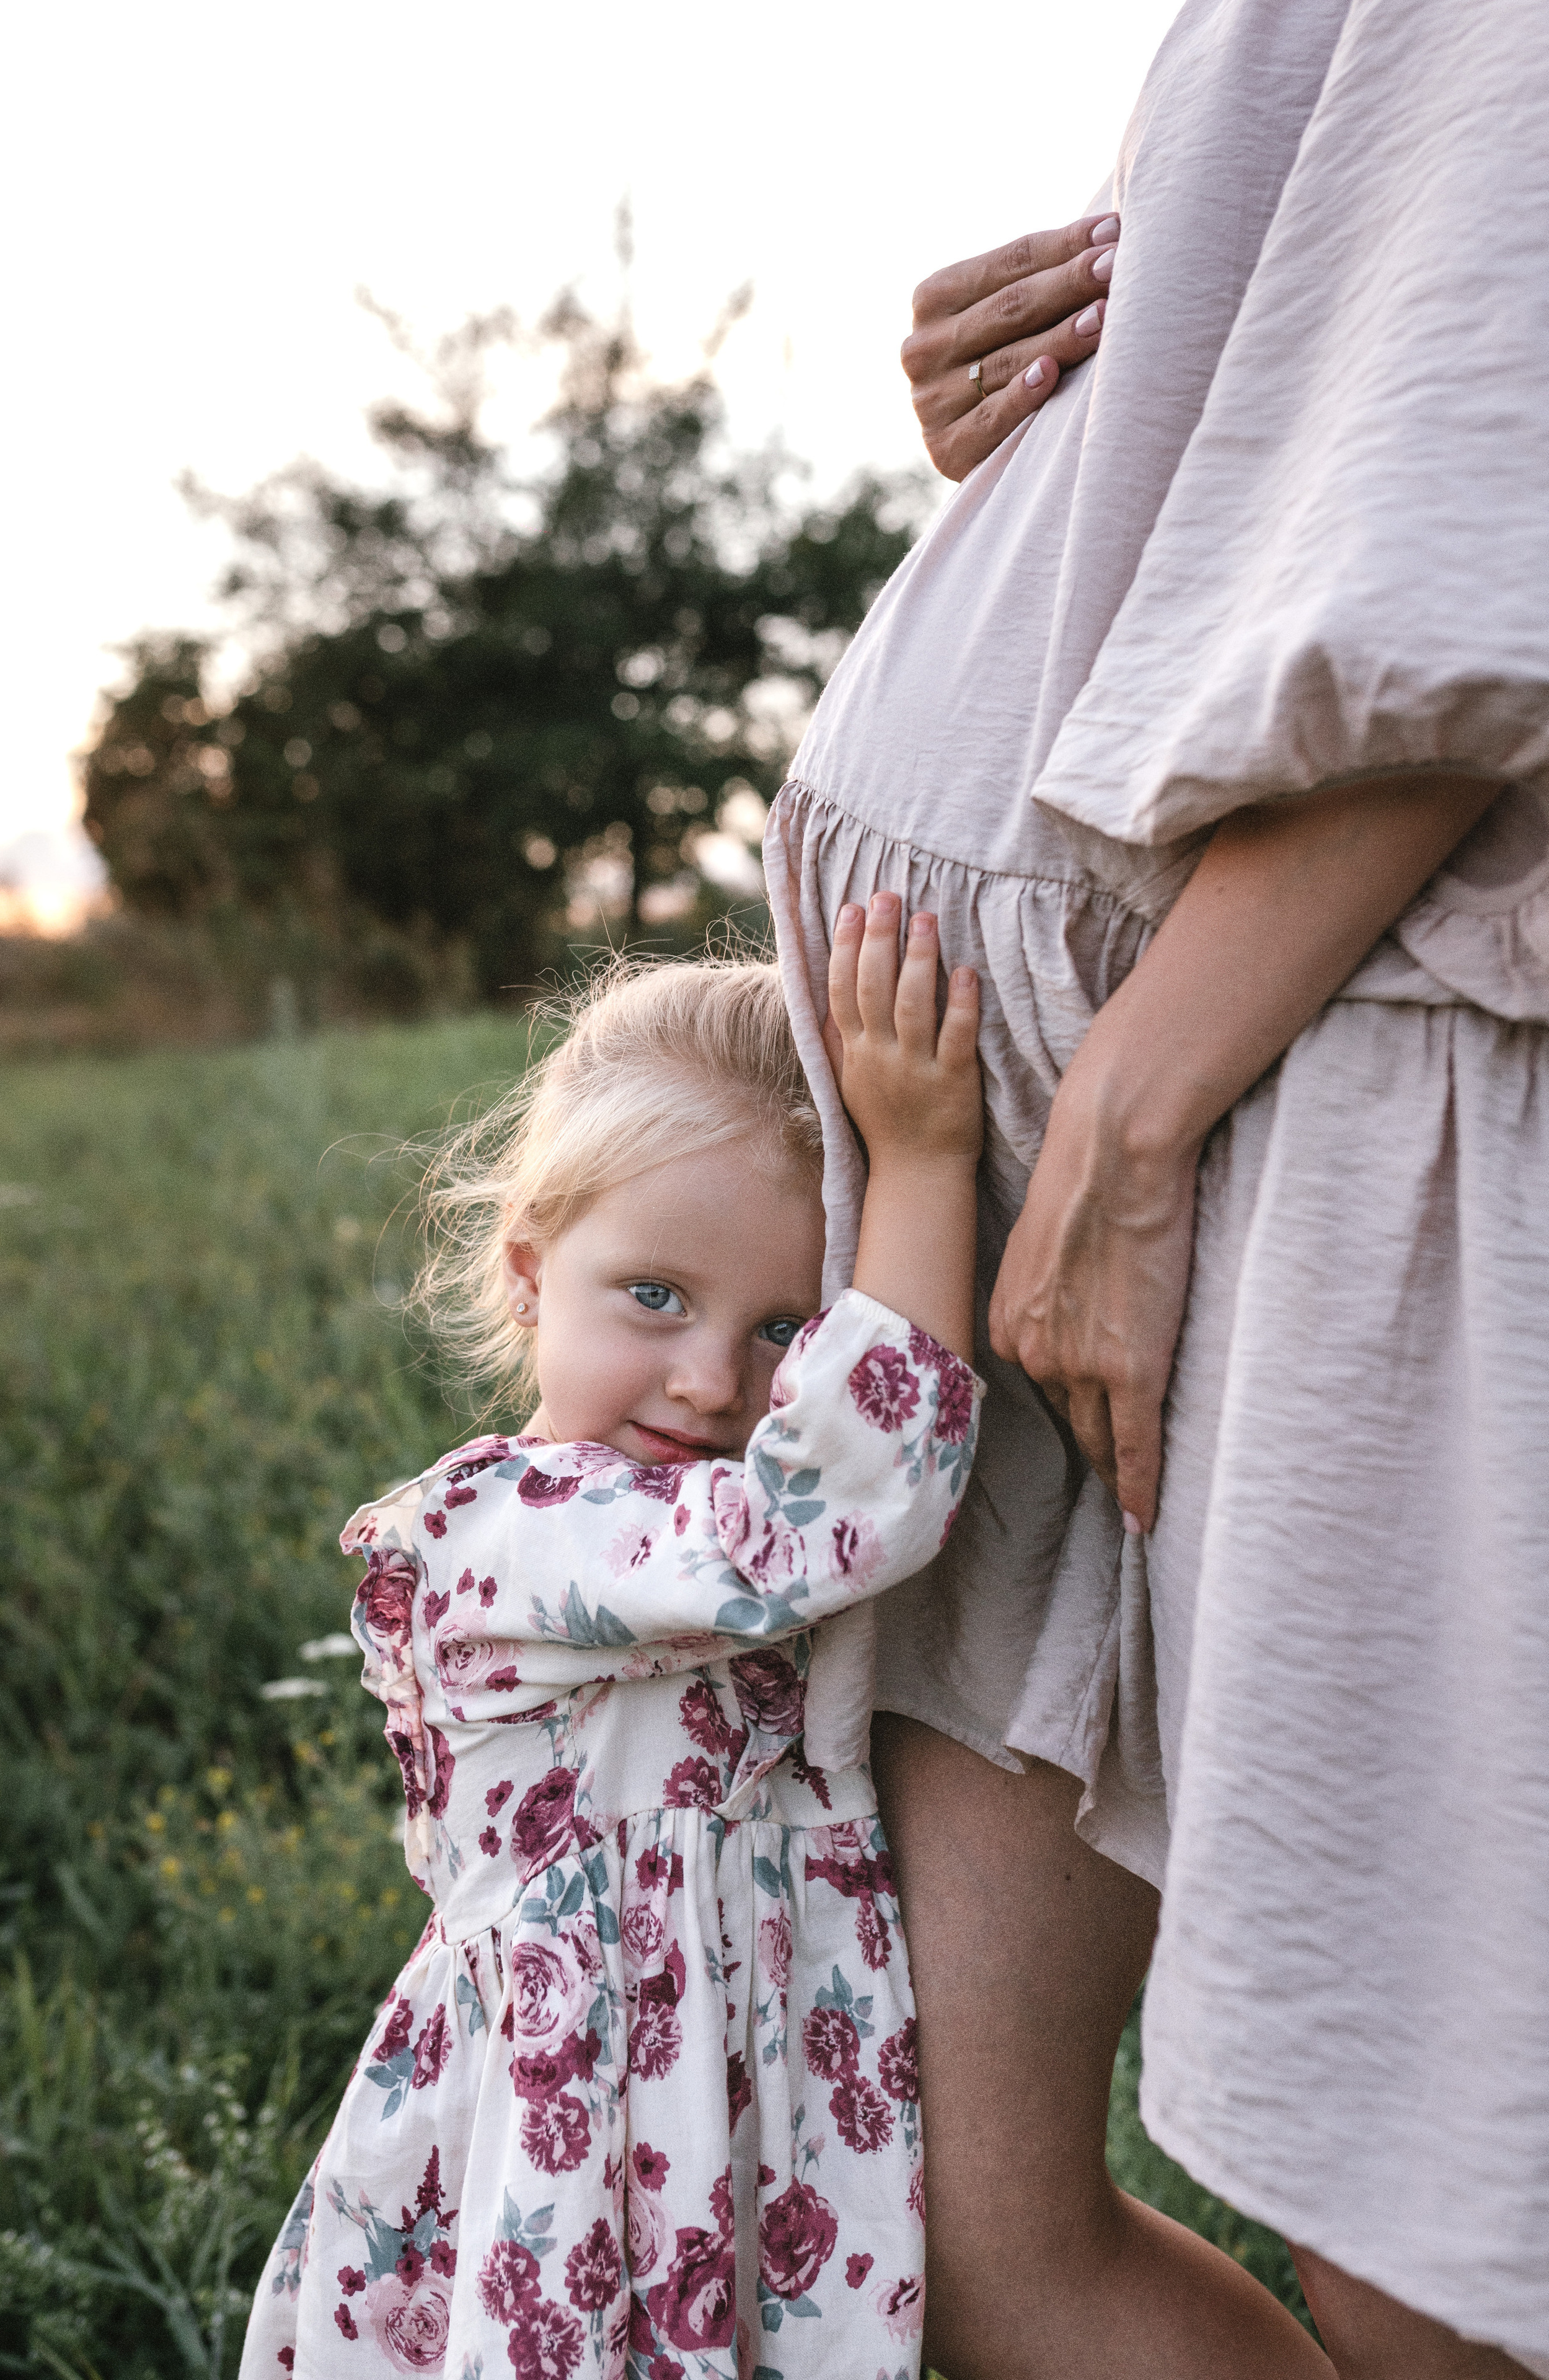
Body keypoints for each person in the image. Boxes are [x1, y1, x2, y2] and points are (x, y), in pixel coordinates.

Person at [764, 1, 1549, 2375]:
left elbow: (1492, 510)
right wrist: (1089, 422)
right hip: (1014, 1144)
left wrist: (1127, 1120)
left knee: (1408, 2215)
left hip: (1264, 1088)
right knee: (960, 2199)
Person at [239, 922, 987, 2380]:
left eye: (785, 1328)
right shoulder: (509, 1531)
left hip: (761, 2109)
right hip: (569, 2132)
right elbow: (838, 1505)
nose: (712, 1381)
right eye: (653, 1295)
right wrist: (928, 1166)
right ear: (525, 1275)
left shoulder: (689, 1517)